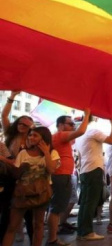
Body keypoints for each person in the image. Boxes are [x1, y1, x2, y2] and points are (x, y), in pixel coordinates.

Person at [1, 127, 60, 246]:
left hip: (41, 193)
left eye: (35, 135)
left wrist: (46, 152)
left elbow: (51, 169)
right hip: (22, 193)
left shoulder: (53, 153)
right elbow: (16, 174)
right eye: (30, 135)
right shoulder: (23, 153)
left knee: (38, 225)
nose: (31, 138)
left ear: (43, 138)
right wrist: (21, 168)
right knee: (12, 225)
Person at [46, 110, 90, 246]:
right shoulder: (60, 135)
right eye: (70, 124)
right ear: (60, 125)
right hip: (61, 175)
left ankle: (53, 236)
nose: (73, 126)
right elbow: (81, 132)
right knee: (56, 208)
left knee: (56, 208)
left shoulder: (60, 137)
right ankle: (52, 239)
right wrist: (87, 115)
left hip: (60, 174)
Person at [75, 115, 112, 241]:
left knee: (85, 203)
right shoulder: (93, 131)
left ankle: (82, 231)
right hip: (94, 169)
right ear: (96, 119)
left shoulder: (79, 134)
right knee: (90, 202)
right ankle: (86, 232)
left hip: (85, 170)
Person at [1, 90, 35, 244]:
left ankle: (32, 238)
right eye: (21, 123)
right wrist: (12, 97)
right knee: (7, 208)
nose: (23, 126)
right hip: (9, 176)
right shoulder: (10, 133)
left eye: (27, 125)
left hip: (25, 178)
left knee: (28, 211)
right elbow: (4, 116)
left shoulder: (31, 139)